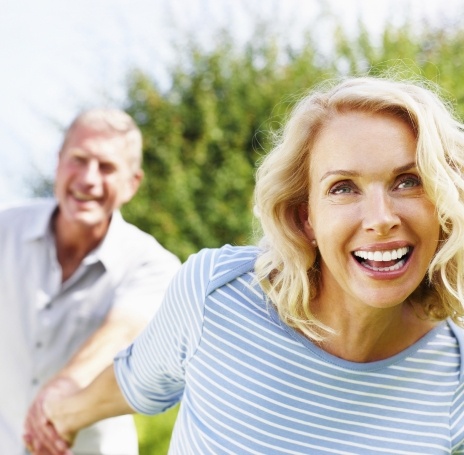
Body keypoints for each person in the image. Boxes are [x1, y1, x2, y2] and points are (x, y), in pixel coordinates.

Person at [29, 76, 464, 454]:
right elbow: (133, 382)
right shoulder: (217, 294)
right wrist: (60, 416)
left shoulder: (455, 372)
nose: (382, 217)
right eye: (343, 188)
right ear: (304, 217)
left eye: (409, 181)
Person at [0, 108, 181, 455]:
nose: (89, 179)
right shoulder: (4, 229)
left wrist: (65, 387)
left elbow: (123, 331)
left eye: (107, 167)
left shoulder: (155, 264)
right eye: (78, 160)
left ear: (132, 184)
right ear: (57, 163)